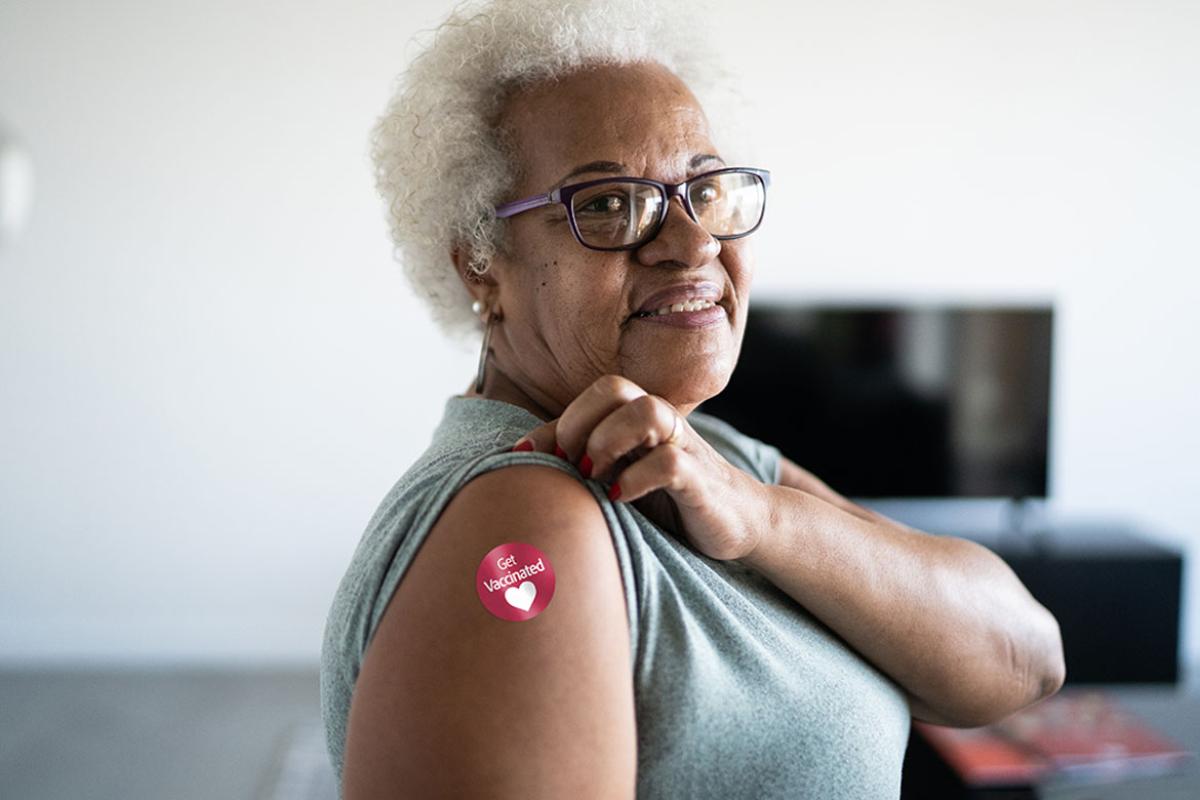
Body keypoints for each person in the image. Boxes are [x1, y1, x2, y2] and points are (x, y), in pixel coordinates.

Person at [320, 1, 1067, 797]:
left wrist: (763, 517)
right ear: (480, 261)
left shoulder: (707, 460)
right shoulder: (530, 518)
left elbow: (1024, 658)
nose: (694, 243)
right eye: (608, 203)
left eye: (706, 191)